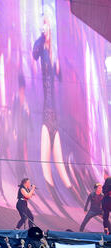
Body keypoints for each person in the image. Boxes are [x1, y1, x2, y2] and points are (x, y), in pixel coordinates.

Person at [32, 12, 83, 217]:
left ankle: (84, 206)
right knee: (47, 168)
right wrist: (42, 37)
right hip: (46, 117)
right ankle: (61, 212)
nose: (44, 28)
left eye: (46, 25)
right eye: (42, 25)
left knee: (61, 169)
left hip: (56, 119)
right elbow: (34, 53)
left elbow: (61, 79)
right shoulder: (42, 50)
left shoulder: (54, 55)